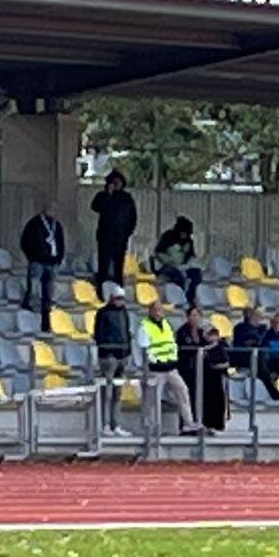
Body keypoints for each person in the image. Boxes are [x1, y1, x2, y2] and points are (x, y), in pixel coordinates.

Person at [137, 297, 201, 437]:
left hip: (171, 367)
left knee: (183, 391)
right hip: (156, 369)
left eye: (160, 310)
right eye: (156, 310)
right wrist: (150, 365)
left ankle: (188, 423)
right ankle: (152, 428)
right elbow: (143, 349)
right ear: (151, 311)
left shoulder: (166, 324)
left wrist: (173, 359)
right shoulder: (145, 327)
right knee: (153, 400)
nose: (159, 313)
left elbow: (171, 344)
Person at [176, 305, 229, 432]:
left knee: (210, 396)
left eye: (197, 315)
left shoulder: (203, 330)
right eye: (192, 315)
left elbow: (213, 343)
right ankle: (188, 424)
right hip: (188, 371)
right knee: (189, 397)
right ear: (188, 317)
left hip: (205, 372)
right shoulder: (182, 332)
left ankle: (209, 424)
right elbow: (184, 350)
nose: (195, 318)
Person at [92, 281, 133, 434]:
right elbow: (99, 334)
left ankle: (116, 424)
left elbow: (127, 332)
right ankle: (104, 424)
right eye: (117, 298)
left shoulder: (124, 313)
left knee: (117, 393)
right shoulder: (103, 313)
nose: (120, 301)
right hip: (109, 356)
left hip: (122, 355)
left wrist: (127, 350)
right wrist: (108, 350)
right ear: (111, 298)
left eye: (122, 298)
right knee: (106, 392)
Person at [19, 202, 66, 330]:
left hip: (52, 262)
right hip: (37, 261)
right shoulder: (34, 224)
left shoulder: (57, 225)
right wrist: (33, 256)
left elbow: (61, 242)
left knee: (49, 291)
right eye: (51, 209)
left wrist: (59, 258)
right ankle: (30, 308)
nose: (53, 212)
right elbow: (25, 241)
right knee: (34, 287)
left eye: (55, 210)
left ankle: (46, 317)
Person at [90, 170, 137, 291]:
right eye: (114, 182)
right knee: (104, 264)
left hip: (121, 237)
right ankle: (101, 289)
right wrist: (108, 195)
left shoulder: (126, 198)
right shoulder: (103, 195)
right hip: (105, 236)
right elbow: (95, 207)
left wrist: (128, 232)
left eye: (118, 182)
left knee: (118, 265)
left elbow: (132, 216)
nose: (116, 185)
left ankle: (118, 289)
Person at [151, 216, 202, 307]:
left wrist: (190, 265)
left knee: (195, 274)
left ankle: (191, 299)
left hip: (182, 266)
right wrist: (170, 262)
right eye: (183, 233)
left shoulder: (188, 241)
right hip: (165, 266)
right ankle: (180, 300)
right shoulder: (168, 237)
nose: (184, 236)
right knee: (177, 276)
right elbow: (158, 253)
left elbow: (191, 256)